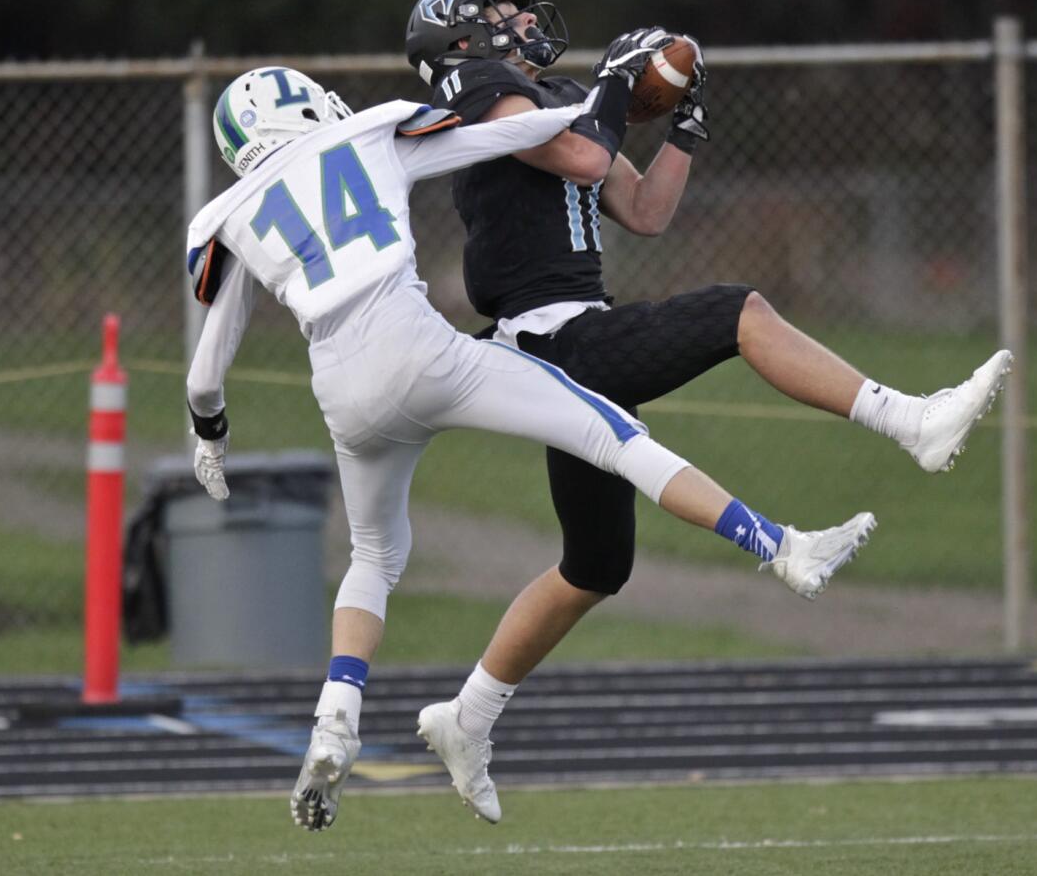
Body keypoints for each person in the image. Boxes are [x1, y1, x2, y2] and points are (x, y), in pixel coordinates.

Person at [184, 65, 878, 833]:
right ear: (306, 104)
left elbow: (207, 369)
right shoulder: (369, 129)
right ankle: (782, 547)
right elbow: (507, 134)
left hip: (340, 389)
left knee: (373, 558)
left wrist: (210, 439)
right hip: (420, 351)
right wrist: (602, 100)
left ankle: (333, 721)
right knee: (610, 431)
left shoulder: (230, 210)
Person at [404, 0, 1012, 822]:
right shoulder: (479, 91)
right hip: (551, 339)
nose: (523, 19)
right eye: (503, 12)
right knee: (737, 312)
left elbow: (645, 209)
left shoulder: (553, 96)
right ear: (462, 38)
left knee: (595, 565)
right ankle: (908, 420)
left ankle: (466, 717)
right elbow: (579, 151)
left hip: (571, 342)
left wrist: (682, 124)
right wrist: (617, 86)